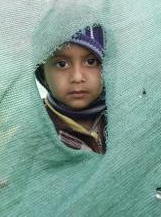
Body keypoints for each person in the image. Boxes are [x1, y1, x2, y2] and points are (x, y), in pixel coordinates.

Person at [35, 24, 107, 154]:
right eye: (62, 64)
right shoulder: (33, 133)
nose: (77, 77)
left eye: (91, 62)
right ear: (42, 74)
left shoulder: (124, 118)